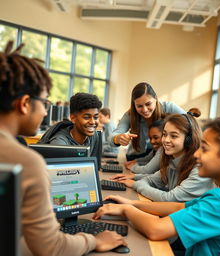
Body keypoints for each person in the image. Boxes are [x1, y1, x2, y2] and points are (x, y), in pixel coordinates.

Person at [0, 41, 126, 256]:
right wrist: (94, 241)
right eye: (44, 104)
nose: (44, 113)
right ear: (24, 103)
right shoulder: (26, 161)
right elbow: (51, 247)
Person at [93, 116, 220, 256]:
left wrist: (125, 210)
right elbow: (179, 207)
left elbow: (156, 229)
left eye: (204, 149)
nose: (196, 154)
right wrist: (133, 203)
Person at [113, 109, 214, 202]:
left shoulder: (199, 170)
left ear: (189, 140)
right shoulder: (173, 161)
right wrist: (135, 180)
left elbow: (169, 198)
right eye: (164, 134)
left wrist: (136, 184)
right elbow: (151, 179)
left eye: (173, 136)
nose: (166, 140)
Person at [108, 82, 185, 161]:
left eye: (148, 104)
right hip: (135, 156)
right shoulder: (130, 115)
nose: (145, 110)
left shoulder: (169, 108)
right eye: (139, 106)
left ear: (155, 98)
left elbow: (191, 123)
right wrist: (117, 138)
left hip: (159, 157)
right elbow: (111, 137)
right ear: (134, 105)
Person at [39, 92, 102, 158]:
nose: (92, 122)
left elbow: (94, 165)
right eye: (86, 117)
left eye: (96, 117)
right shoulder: (59, 143)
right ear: (73, 118)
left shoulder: (94, 136)